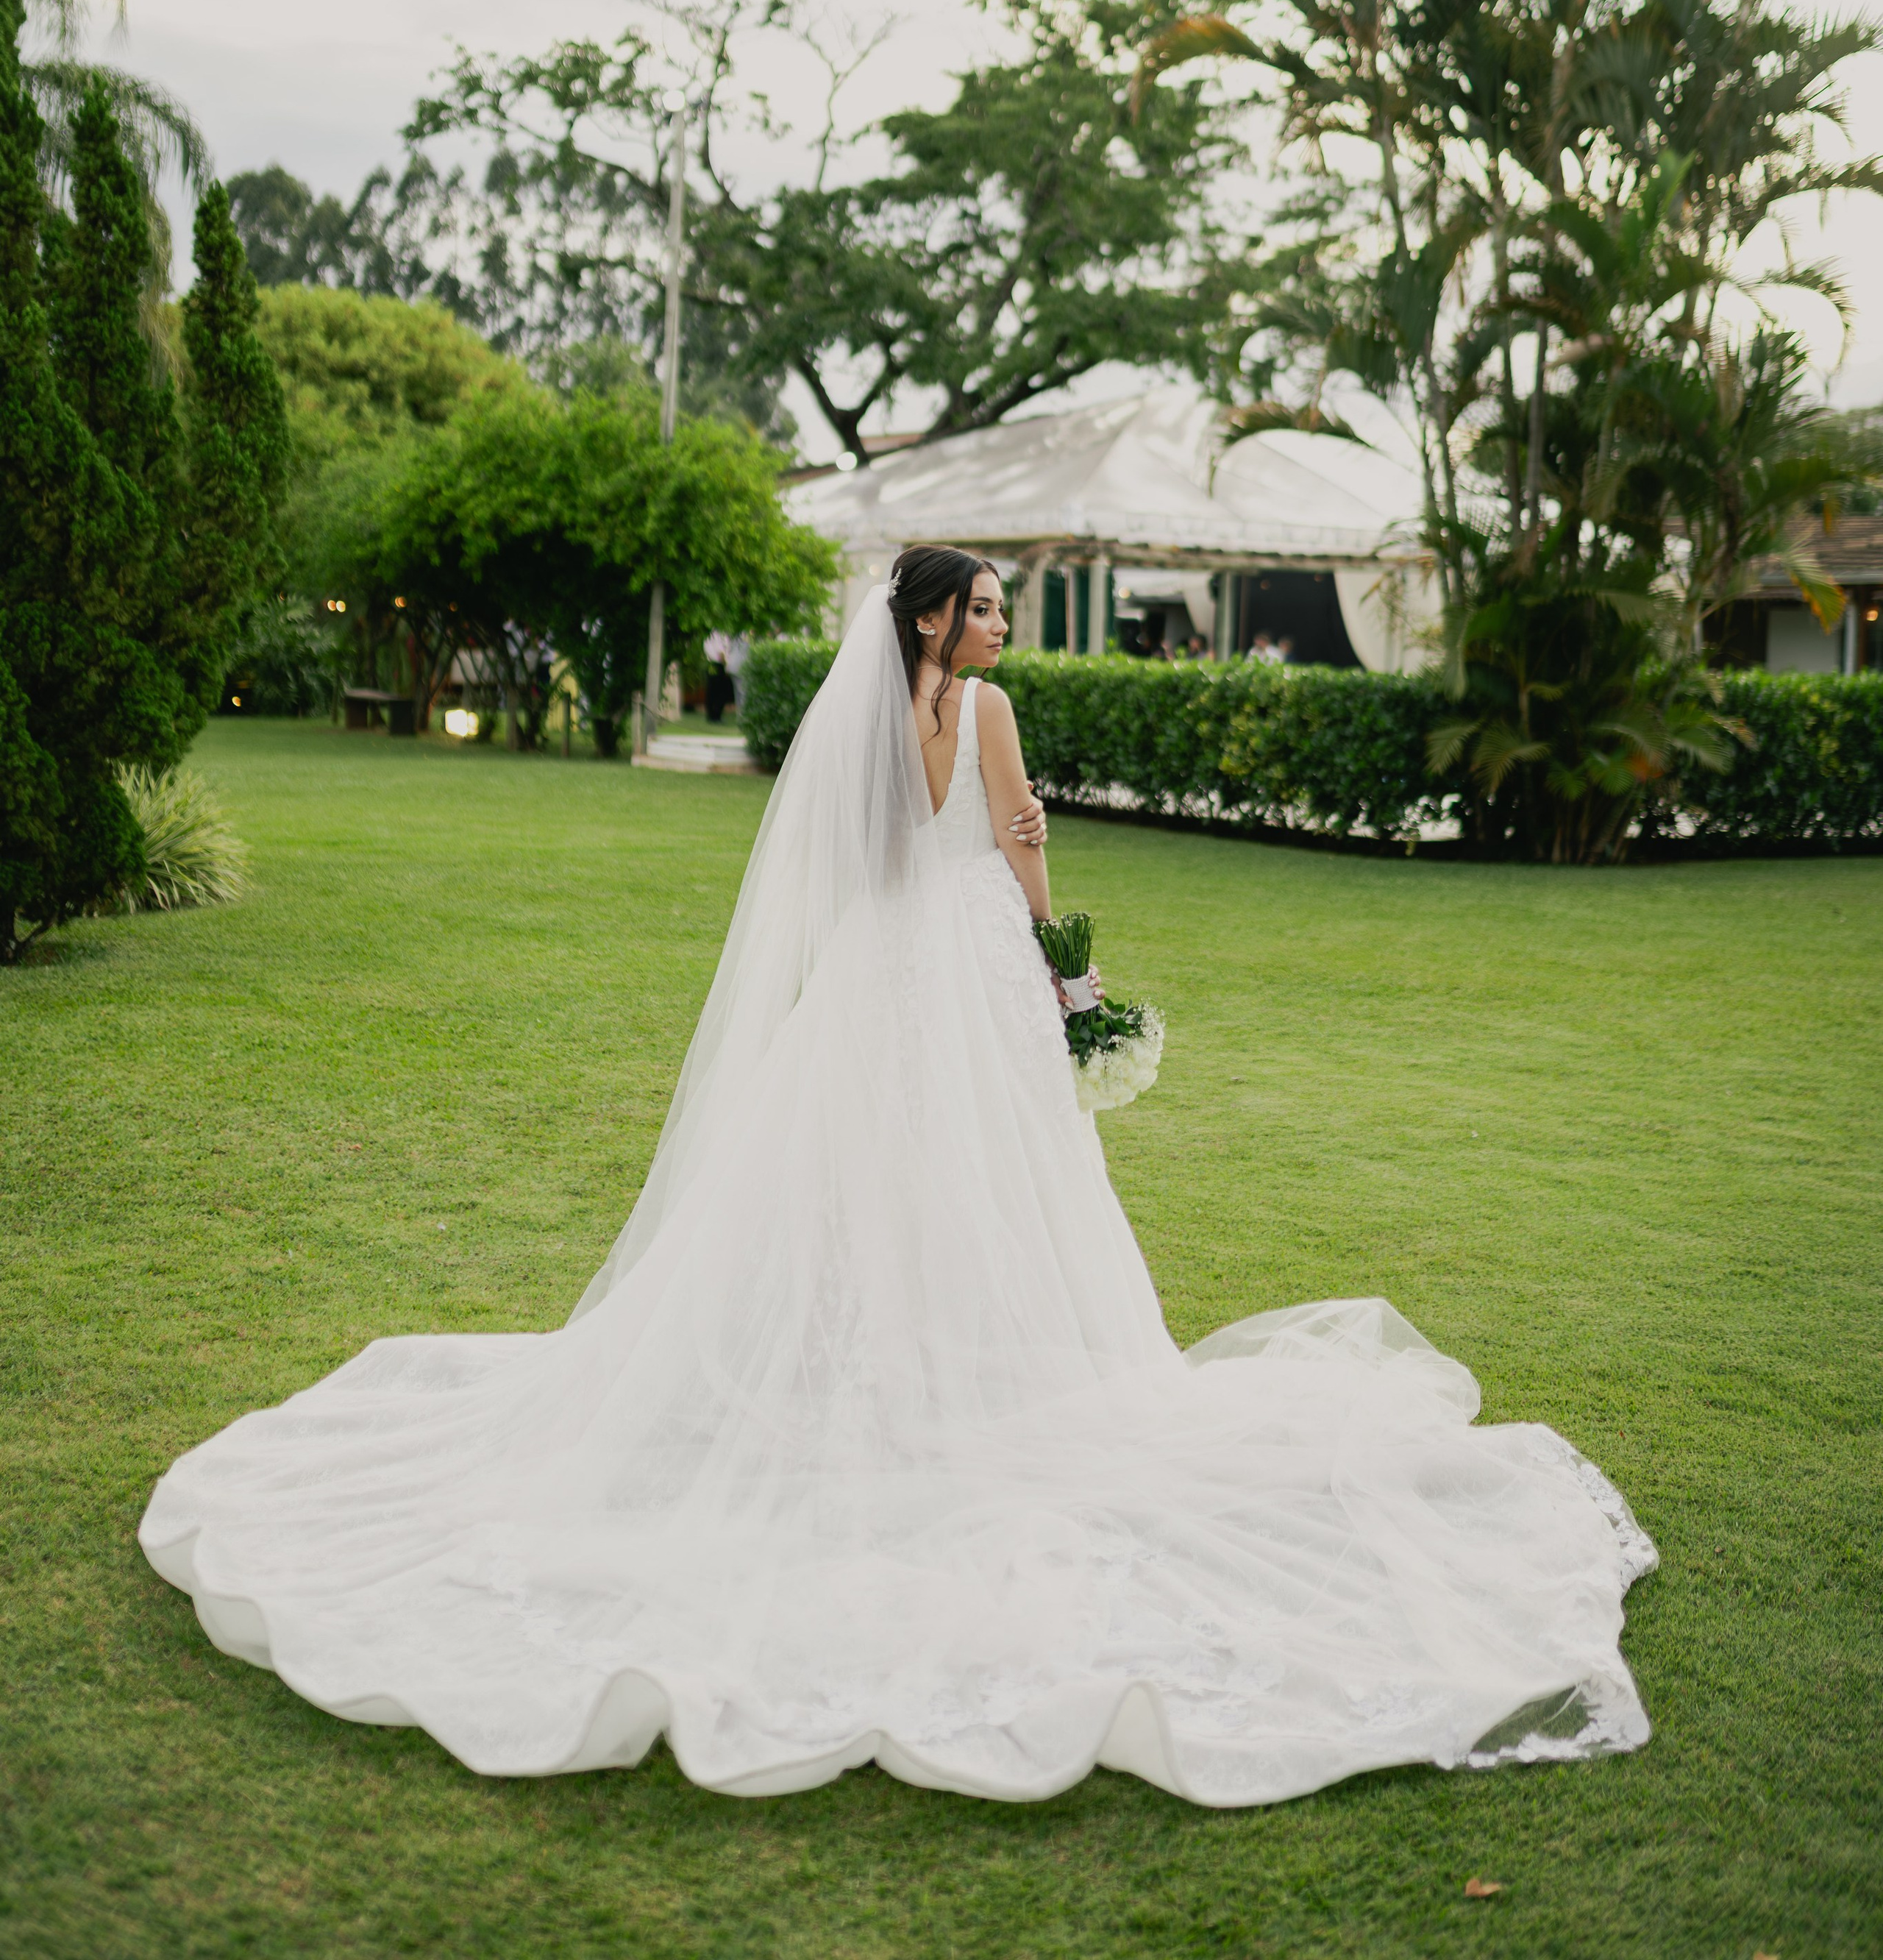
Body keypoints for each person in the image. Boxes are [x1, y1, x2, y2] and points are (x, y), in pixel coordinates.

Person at [140, 544, 1654, 1805]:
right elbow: (1011, 846)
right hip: (972, 969)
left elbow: (856, 864)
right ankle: (971, 1382)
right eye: (984, 605)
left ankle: (840, 1368)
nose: (997, 624)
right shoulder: (984, 711)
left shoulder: (867, 722)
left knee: (850, 1168)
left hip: (876, 971)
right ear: (943, 621)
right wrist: (1072, 972)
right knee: (992, 1179)